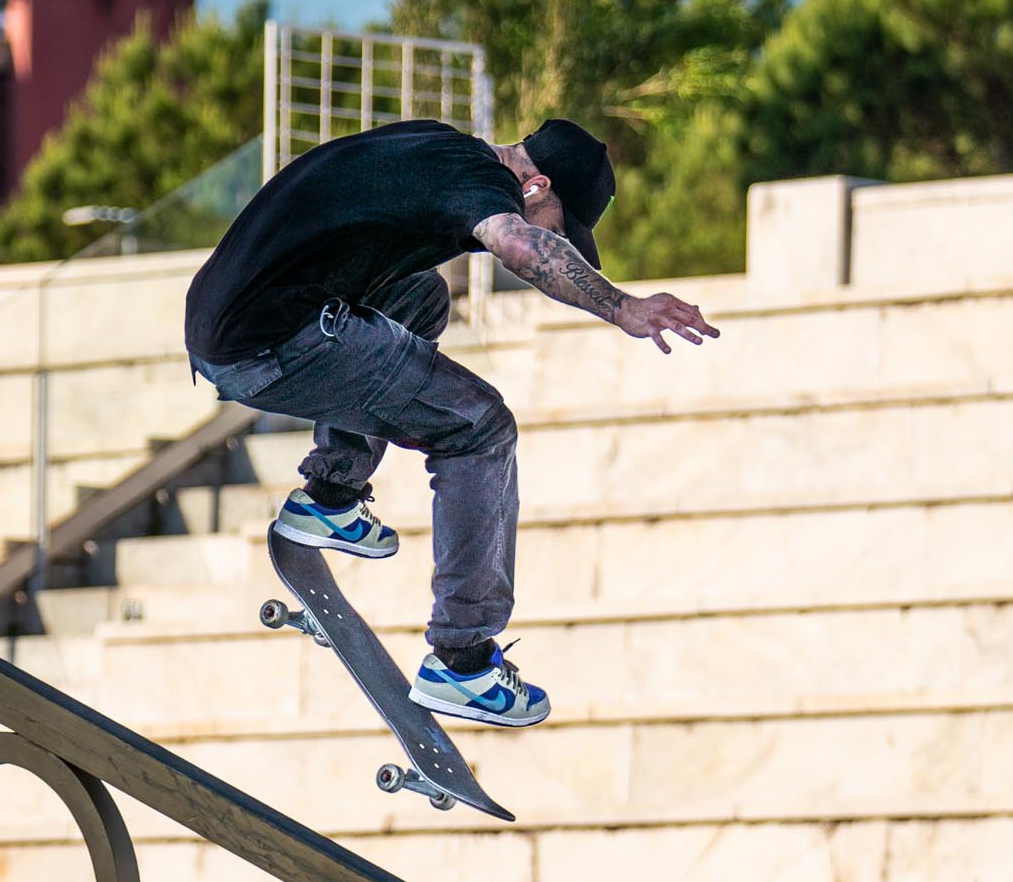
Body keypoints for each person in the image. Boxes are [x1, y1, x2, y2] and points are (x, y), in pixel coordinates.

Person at [184, 116, 718, 725]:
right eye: (560, 230)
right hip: (272, 343)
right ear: (537, 186)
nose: (556, 241)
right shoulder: (484, 183)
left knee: (423, 297)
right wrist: (623, 306)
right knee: (481, 427)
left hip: (226, 321)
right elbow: (519, 244)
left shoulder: (434, 146)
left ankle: (330, 495)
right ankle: (463, 663)